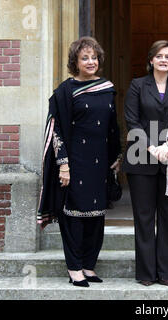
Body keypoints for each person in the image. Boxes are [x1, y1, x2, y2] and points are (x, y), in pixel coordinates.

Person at [37, 36, 121, 287]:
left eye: (94, 57)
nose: (91, 61)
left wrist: (116, 156)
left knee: (96, 216)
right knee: (73, 216)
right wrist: (63, 164)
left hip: (99, 162)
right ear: (75, 61)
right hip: (74, 163)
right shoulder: (65, 91)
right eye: (85, 58)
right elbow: (56, 130)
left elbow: (112, 126)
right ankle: (74, 268)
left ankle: (88, 265)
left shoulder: (106, 87)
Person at [122, 40, 168, 286]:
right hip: (142, 159)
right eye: (160, 56)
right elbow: (132, 122)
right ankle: (146, 274)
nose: (164, 60)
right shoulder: (137, 85)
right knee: (144, 217)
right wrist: (153, 148)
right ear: (151, 59)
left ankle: (166, 273)